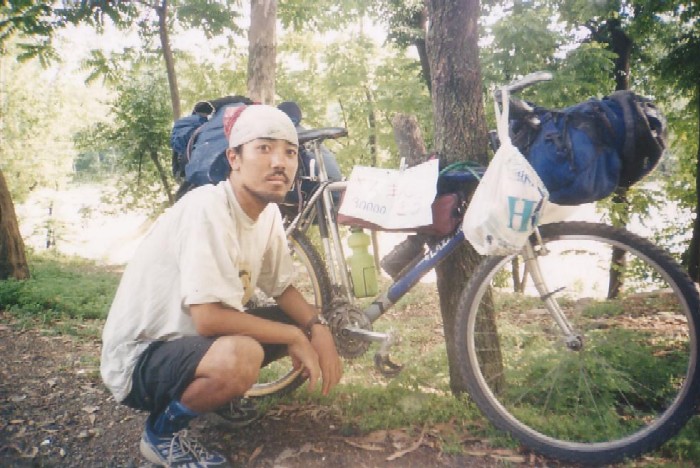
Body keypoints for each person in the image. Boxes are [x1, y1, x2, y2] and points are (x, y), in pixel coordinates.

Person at [100, 104, 343, 467]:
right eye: (264, 148)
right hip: (141, 359)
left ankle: (214, 395)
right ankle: (161, 434)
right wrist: (293, 337)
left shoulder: (268, 215)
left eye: (290, 152)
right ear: (234, 158)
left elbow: (283, 289)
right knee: (242, 355)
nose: (280, 161)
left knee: (297, 322)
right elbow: (209, 319)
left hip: (186, 345)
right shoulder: (207, 208)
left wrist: (317, 328)